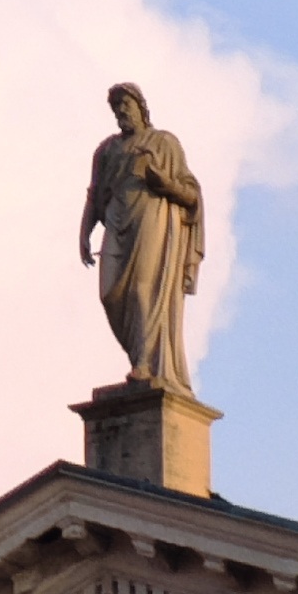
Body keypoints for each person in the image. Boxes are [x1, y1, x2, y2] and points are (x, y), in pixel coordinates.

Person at [81, 84, 205, 390]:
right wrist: (84, 232)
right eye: (116, 107)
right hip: (116, 221)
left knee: (142, 290)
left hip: (151, 221)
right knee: (110, 293)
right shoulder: (107, 151)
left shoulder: (164, 143)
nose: (121, 111)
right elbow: (95, 195)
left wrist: (163, 182)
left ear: (141, 107)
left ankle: (145, 363)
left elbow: (191, 195)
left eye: (126, 104)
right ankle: (139, 355)